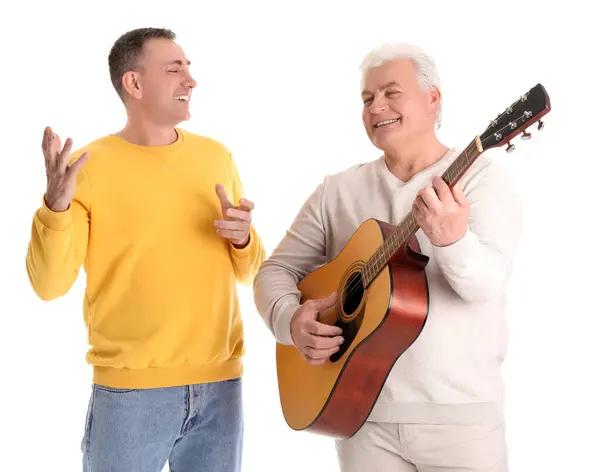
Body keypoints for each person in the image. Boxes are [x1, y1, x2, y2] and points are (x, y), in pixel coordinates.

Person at [253, 42, 521, 471]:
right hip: (360, 419)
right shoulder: (336, 191)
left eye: (391, 92)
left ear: (433, 99)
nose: (377, 106)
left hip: (460, 425)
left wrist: (453, 241)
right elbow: (276, 271)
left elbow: (487, 284)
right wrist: (289, 319)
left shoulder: (481, 178)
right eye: (367, 98)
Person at [25, 27, 265, 472]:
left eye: (190, 69)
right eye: (175, 70)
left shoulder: (217, 157)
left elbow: (252, 273)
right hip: (131, 397)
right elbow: (49, 285)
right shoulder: (89, 170)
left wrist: (244, 239)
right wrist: (55, 208)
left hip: (221, 389)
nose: (190, 81)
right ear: (133, 84)